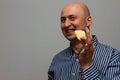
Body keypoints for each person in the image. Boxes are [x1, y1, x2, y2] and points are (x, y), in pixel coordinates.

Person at [48, 2, 120, 80]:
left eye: (72, 18)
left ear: (88, 21)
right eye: (63, 20)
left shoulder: (112, 56)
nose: (66, 24)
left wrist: (87, 66)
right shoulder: (57, 59)